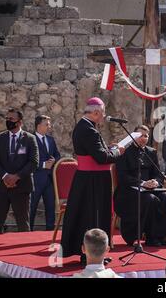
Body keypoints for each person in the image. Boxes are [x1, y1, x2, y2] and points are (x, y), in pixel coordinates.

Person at [61, 97, 125, 263]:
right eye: (102, 113)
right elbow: (101, 158)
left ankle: (95, 253)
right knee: (93, 218)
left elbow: (97, 152)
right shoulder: (89, 130)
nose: (104, 117)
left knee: (88, 216)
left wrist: (110, 149)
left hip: (89, 179)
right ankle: (90, 256)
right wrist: (118, 151)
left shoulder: (85, 127)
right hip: (93, 181)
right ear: (96, 113)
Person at [114, 125, 166, 247]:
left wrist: (156, 182)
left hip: (150, 189)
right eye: (140, 135)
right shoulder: (124, 152)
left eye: (146, 136)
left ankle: (161, 235)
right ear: (133, 136)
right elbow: (123, 176)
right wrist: (142, 183)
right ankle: (151, 237)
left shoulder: (151, 152)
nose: (143, 138)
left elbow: (158, 173)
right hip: (129, 191)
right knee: (150, 200)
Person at [0, 109, 39, 234]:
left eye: (11, 119)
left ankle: (24, 250)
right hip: (1, 187)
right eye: (7, 118)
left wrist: (16, 177)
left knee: (23, 224)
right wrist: (6, 176)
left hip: (22, 187)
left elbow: (33, 162)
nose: (8, 121)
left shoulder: (30, 139)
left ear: (20, 122)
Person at [30, 115, 61, 231]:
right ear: (39, 126)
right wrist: (43, 165)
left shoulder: (50, 139)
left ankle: (50, 233)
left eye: (49, 124)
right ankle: (28, 233)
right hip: (35, 180)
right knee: (31, 207)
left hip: (50, 180)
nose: (49, 126)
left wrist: (54, 161)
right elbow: (27, 160)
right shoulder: (30, 139)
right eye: (46, 124)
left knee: (50, 207)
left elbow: (57, 155)